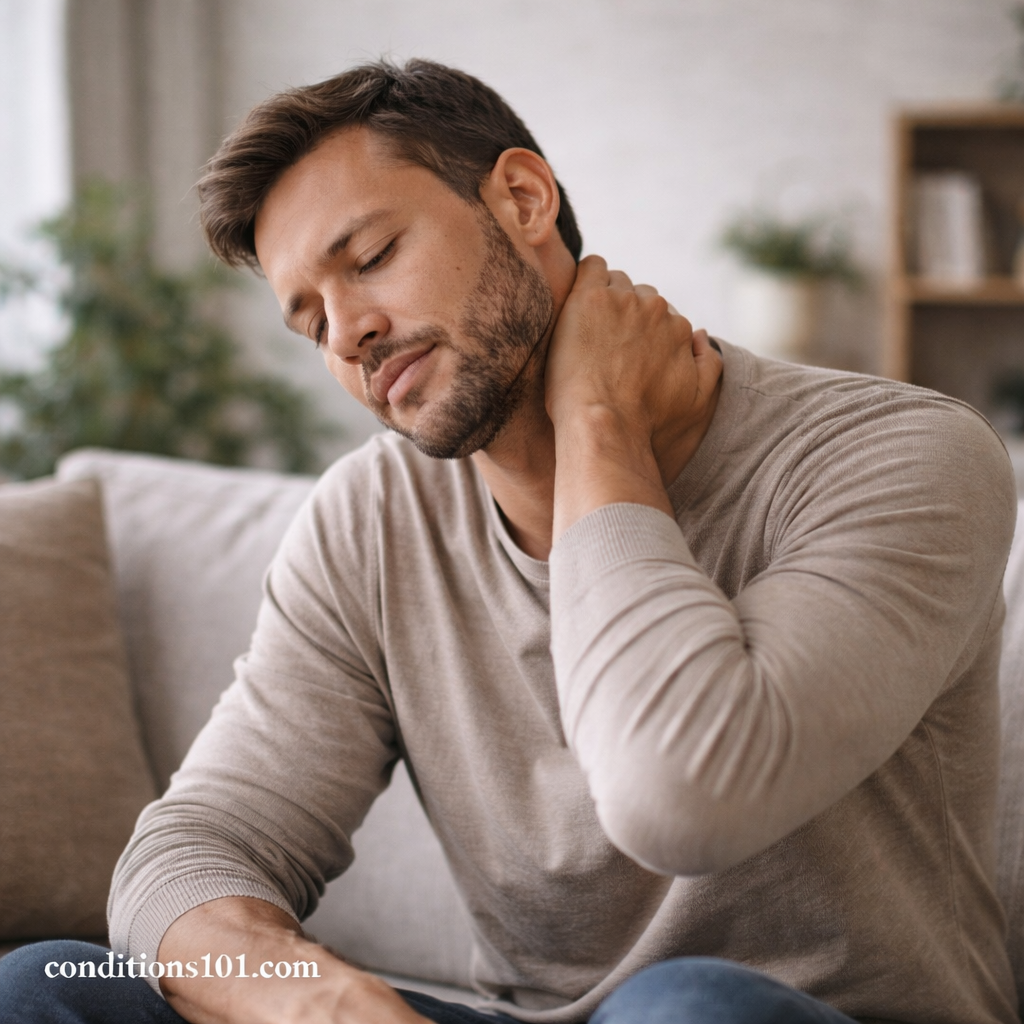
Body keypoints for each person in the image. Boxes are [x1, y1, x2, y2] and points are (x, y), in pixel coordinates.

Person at [1, 58, 1018, 1024]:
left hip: (797, 1013)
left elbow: (681, 797)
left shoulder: (899, 455)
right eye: (310, 322)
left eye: (370, 259)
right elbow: (184, 856)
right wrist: (318, 997)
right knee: (52, 982)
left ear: (523, 200)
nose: (348, 333)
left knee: (689, 1006)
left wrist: (597, 424)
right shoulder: (371, 520)